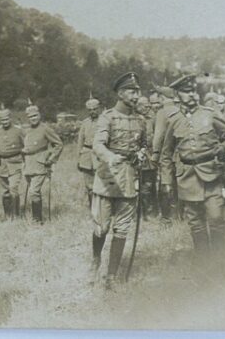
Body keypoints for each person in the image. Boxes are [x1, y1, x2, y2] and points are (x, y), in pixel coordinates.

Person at [161, 74, 225, 255]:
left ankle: (219, 259)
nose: (193, 95)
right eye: (187, 92)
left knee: (216, 217)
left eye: (194, 91)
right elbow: (166, 153)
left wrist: (224, 149)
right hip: (187, 178)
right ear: (177, 95)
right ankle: (204, 261)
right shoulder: (173, 119)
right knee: (196, 223)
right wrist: (166, 181)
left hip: (212, 174)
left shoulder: (209, 114)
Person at [91, 71, 146, 289]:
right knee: (101, 228)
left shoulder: (141, 120)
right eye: (132, 92)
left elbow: (144, 145)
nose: (136, 96)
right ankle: (95, 260)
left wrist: (142, 154)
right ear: (121, 93)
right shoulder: (108, 117)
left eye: (137, 92)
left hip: (129, 180)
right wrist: (110, 157)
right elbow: (97, 144)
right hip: (107, 180)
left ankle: (111, 276)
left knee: (122, 229)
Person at [22, 101, 63, 223]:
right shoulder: (26, 130)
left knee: (34, 191)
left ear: (39, 115)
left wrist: (50, 160)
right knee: (33, 192)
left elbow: (59, 144)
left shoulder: (45, 129)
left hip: (41, 164)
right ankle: (36, 217)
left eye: (35, 116)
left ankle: (37, 220)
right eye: (30, 117)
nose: (33, 119)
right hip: (28, 165)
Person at [0, 105, 25, 219]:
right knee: (5, 191)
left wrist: (25, 154)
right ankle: (8, 216)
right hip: (1, 164)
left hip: (15, 162)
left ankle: (16, 216)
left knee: (13, 188)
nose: (5, 122)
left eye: (6, 119)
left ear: (10, 118)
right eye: (2, 120)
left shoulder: (18, 130)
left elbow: (27, 142)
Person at [150, 85, 180, 223]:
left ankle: (166, 217)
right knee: (178, 184)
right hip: (180, 155)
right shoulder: (180, 110)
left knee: (165, 184)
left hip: (166, 154)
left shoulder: (162, 113)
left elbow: (159, 136)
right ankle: (179, 215)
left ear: (162, 98)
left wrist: (155, 153)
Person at [77, 93, 101, 208]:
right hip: (86, 155)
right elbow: (80, 142)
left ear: (99, 108)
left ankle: (102, 208)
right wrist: (79, 159)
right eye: (90, 110)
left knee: (102, 183)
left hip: (100, 155)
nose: (93, 111)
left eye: (95, 109)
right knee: (89, 185)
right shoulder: (85, 123)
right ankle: (92, 208)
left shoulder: (104, 121)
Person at [136, 96, 157, 219]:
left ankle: (148, 212)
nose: (147, 108)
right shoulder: (133, 118)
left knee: (148, 184)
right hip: (135, 155)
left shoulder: (152, 118)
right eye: (145, 106)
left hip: (149, 156)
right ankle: (136, 212)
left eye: (148, 106)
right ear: (138, 106)